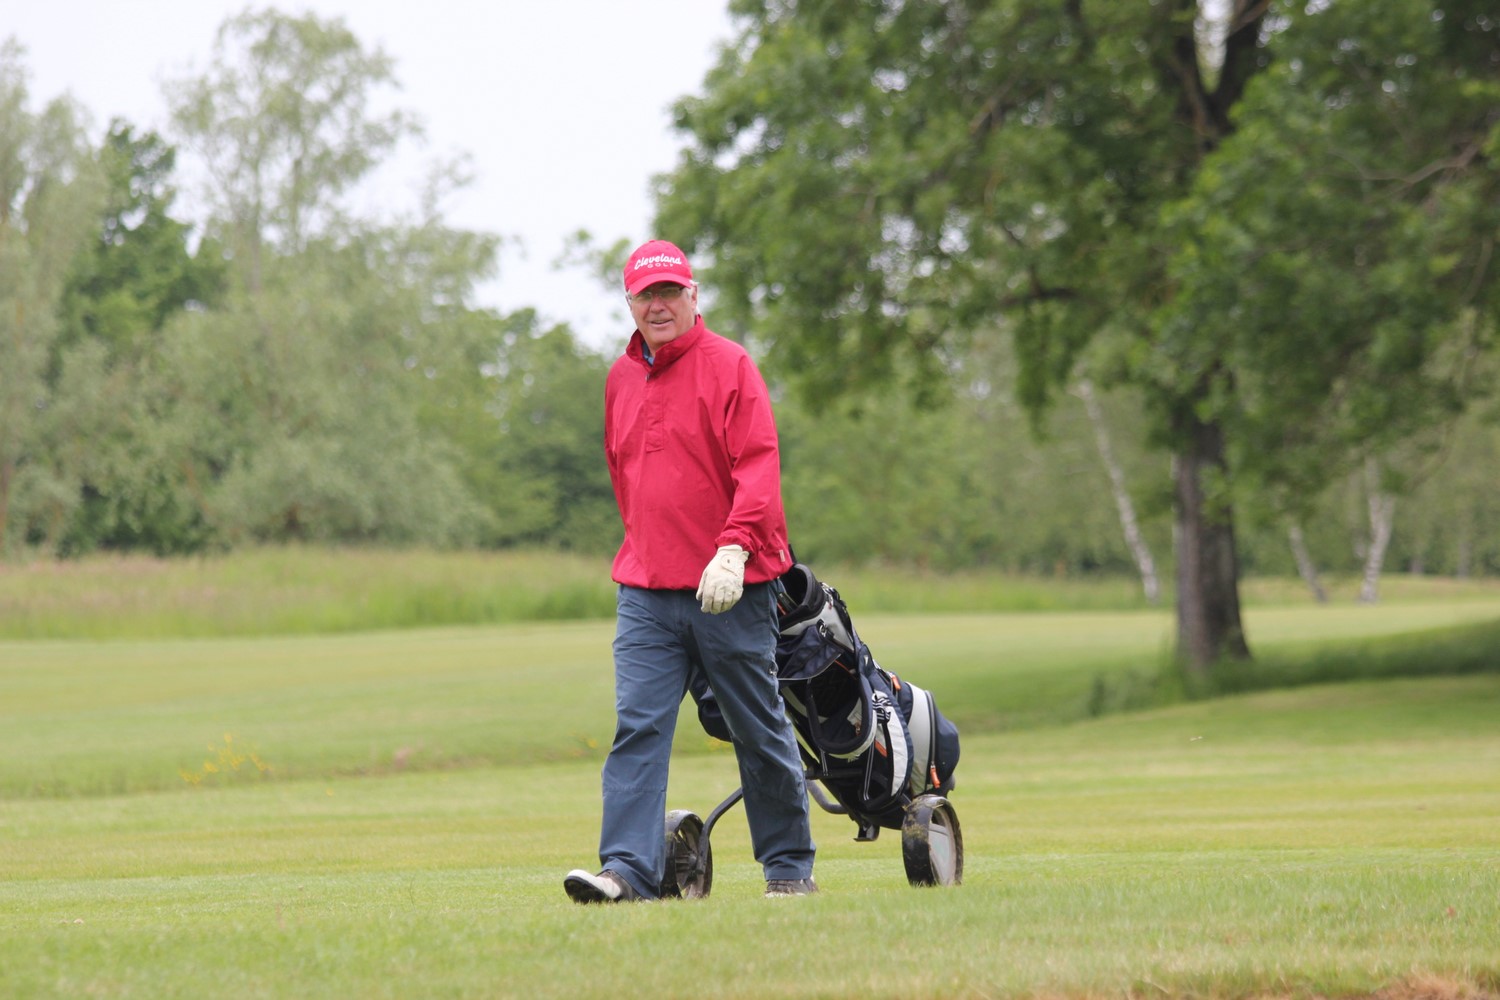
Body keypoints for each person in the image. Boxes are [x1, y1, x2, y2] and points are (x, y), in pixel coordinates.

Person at [563, 239, 818, 903]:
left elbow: (758, 467)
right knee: (638, 728)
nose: (659, 305)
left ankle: (788, 868)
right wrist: (650, 549)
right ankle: (627, 872)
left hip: (732, 588)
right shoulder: (620, 378)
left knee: (756, 726)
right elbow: (624, 473)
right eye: (646, 295)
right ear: (630, 303)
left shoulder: (731, 366)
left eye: (670, 292)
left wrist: (734, 546)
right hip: (646, 590)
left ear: (693, 295)